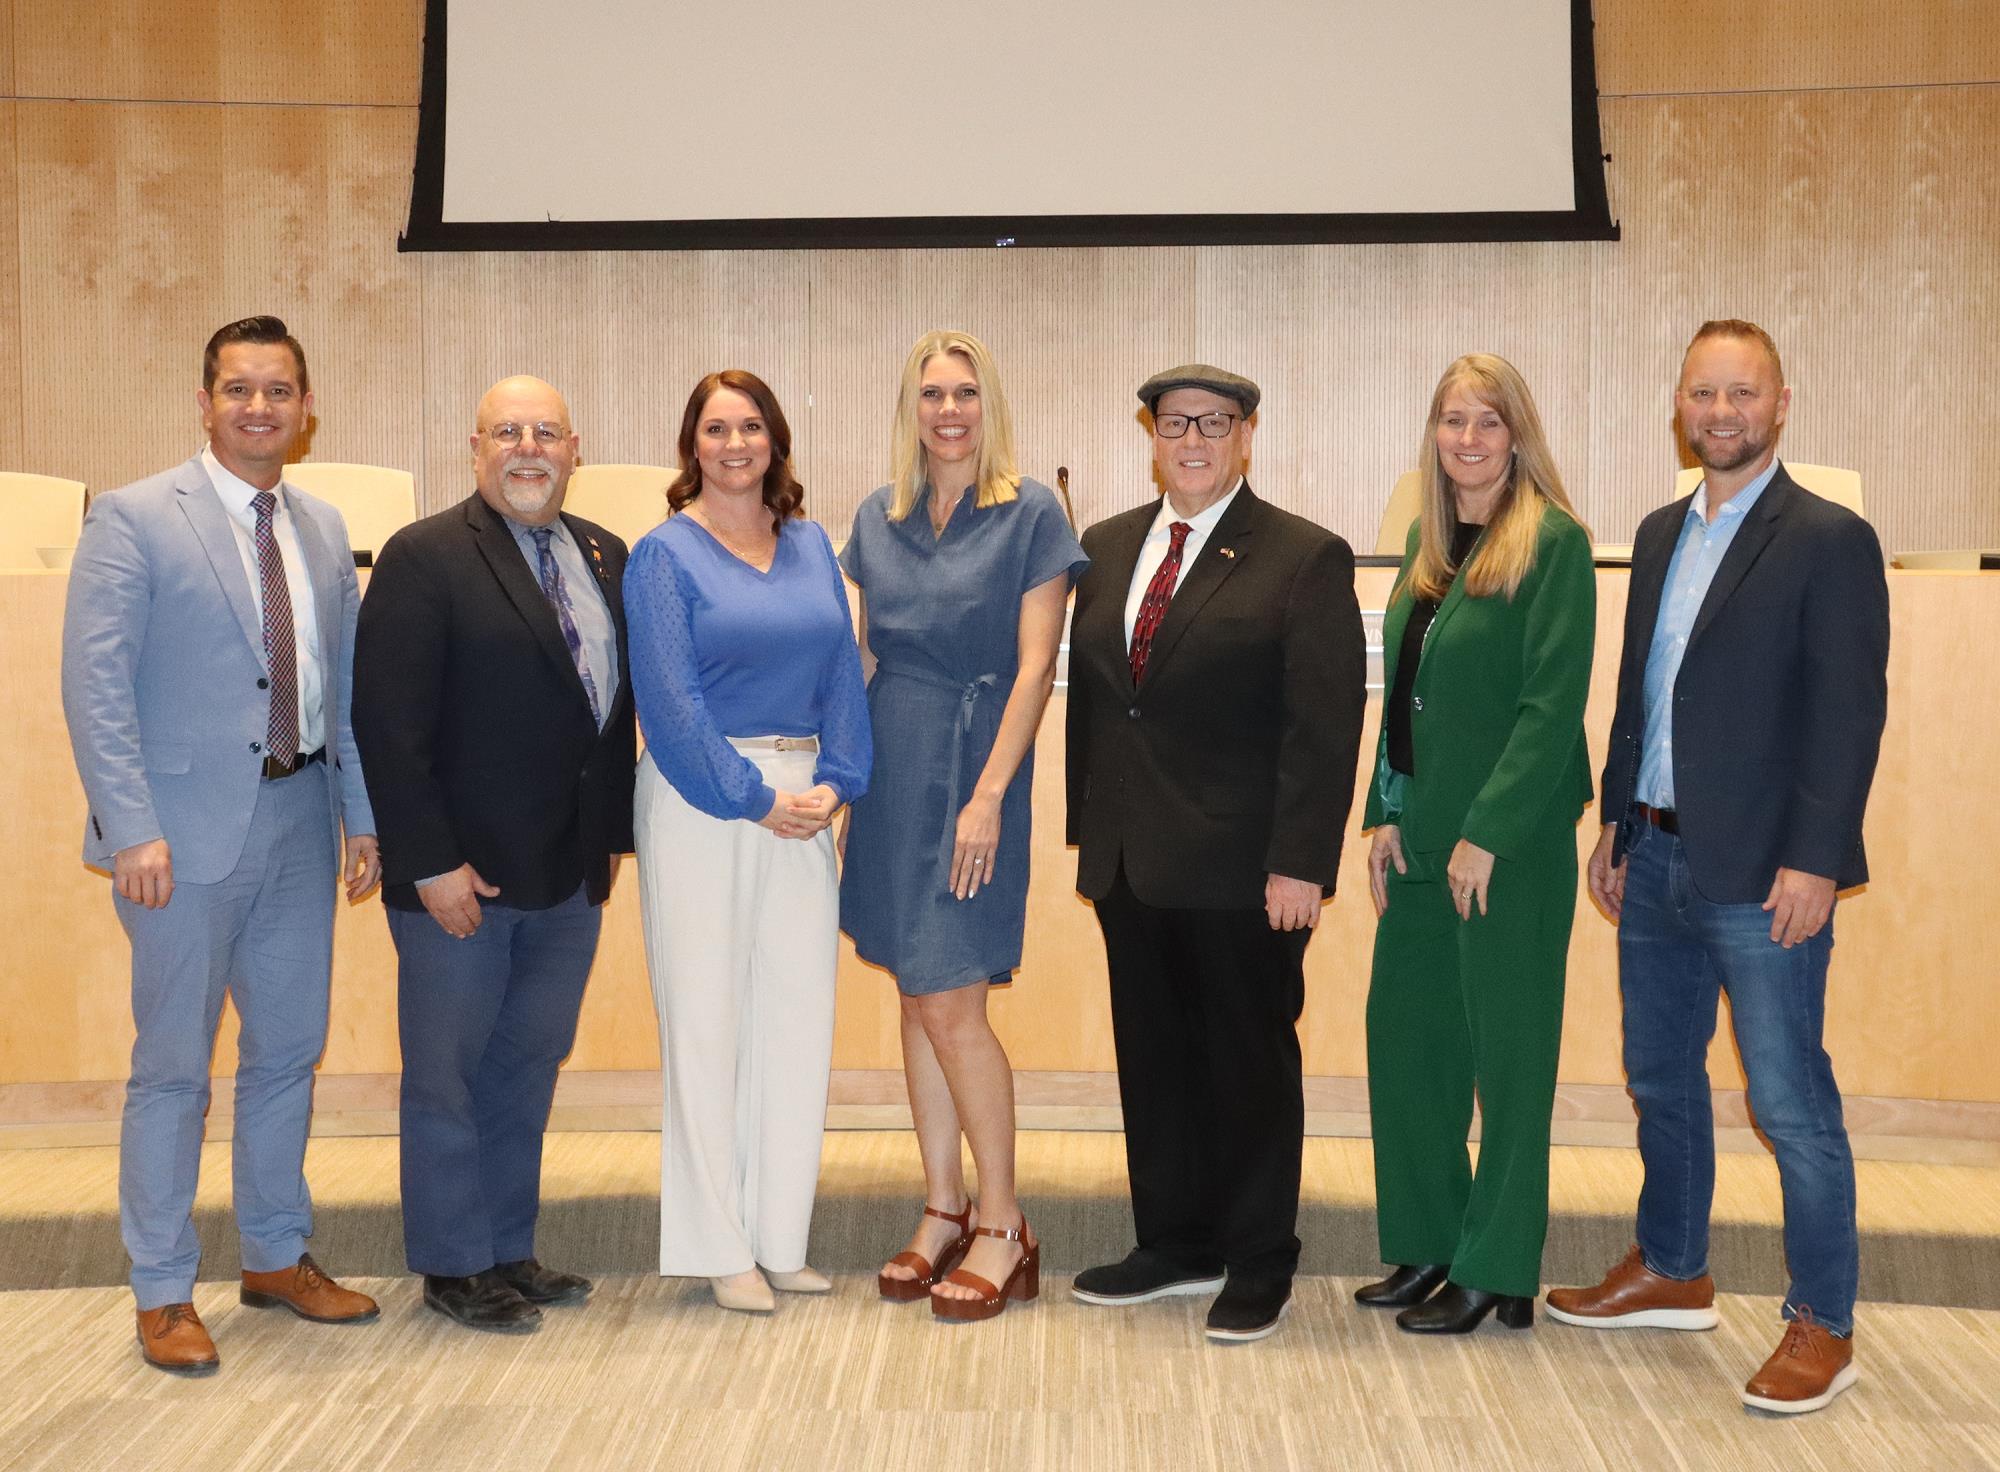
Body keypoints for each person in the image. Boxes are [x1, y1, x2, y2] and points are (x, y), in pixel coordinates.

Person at [1546, 320, 1889, 1415]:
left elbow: (1847, 715)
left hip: (1762, 872)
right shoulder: (1655, 532)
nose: (1720, 412)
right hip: (1651, 854)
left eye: (1740, 394)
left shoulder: (1827, 536)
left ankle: (1820, 1320)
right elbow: (1641, 689)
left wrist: (1814, 859)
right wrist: (1610, 818)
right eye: (1702, 393)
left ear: (1779, 404)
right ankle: (1673, 1264)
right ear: (1678, 406)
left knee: (1789, 1102)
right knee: (1658, 1077)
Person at [61, 316, 382, 1374]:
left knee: (287, 1052)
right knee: (172, 1070)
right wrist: (129, 825)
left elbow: (341, 687)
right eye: (238, 389)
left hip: (299, 820)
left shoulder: (326, 526)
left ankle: (276, 1254)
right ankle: (161, 1286)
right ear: (205, 403)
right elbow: (96, 684)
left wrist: (361, 817)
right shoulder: (134, 516)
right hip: (180, 838)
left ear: (305, 407)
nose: (259, 407)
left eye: (278, 390)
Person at [1065, 364, 1366, 1342]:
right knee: (1152, 1059)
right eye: (1173, 421)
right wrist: (1088, 830)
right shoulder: (1105, 546)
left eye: (1215, 421)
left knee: (1245, 1064)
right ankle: (1173, 1240)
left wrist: (1301, 862)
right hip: (1127, 856)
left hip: (1245, 870)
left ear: (1245, 435)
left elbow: (1322, 726)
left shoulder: (1300, 555)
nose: (1192, 437)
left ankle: (1257, 1256)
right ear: (1148, 433)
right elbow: (1108, 701)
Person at [352, 375, 635, 1333]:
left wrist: (614, 840)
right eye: (507, 432)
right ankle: (452, 1261)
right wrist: (427, 861)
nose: (528, 448)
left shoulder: (605, 553)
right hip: (458, 878)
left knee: (526, 1066)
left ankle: (509, 1247)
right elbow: (388, 725)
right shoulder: (425, 555)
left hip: (567, 872)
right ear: (475, 448)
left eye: (546, 432)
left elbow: (605, 713)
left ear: (574, 446)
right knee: (448, 1072)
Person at [839, 331, 1086, 1323]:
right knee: (914, 991)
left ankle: (1003, 1221)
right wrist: (847, 786)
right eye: (931, 393)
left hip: (973, 765)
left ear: (989, 407)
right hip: (891, 770)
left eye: (965, 393)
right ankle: (941, 1205)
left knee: (952, 1000)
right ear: (911, 408)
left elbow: (1035, 667)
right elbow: (862, 661)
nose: (948, 410)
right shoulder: (877, 514)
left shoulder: (1027, 509)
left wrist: (988, 793)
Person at [1355, 354, 1596, 1334]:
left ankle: (1496, 1265)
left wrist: (1484, 832)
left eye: (1485, 421)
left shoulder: (1555, 543)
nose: (1466, 438)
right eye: (1451, 420)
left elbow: (1550, 706)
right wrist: (1380, 806)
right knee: (1406, 1041)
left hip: (1509, 843)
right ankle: (1428, 1242)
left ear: (1515, 433)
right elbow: (1401, 689)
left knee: (1508, 1058)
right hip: (1418, 837)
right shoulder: (1426, 540)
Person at [627, 369, 871, 1315]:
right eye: (717, 428)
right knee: (706, 1021)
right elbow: (670, 702)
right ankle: (715, 1243)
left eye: (753, 426)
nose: (736, 443)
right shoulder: (663, 555)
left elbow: (845, 678)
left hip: (805, 798)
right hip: (704, 800)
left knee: (796, 1024)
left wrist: (838, 784)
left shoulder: (812, 544)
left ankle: (778, 1236)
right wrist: (751, 796)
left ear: (775, 441)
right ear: (693, 444)